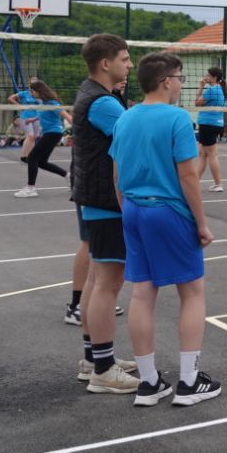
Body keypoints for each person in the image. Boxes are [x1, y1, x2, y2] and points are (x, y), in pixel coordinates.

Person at [112, 53, 221, 407]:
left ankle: (148, 383)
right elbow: (188, 175)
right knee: (192, 291)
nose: (182, 84)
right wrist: (201, 223)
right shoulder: (176, 118)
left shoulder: (125, 118)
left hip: (133, 209)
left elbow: (116, 173)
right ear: (166, 81)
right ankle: (189, 382)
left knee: (142, 293)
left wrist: (126, 209)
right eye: (181, 78)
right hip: (168, 211)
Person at [70, 34, 139, 393]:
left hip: (93, 197)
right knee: (108, 284)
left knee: (98, 279)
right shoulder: (103, 103)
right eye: (125, 59)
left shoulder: (94, 96)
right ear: (105, 64)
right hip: (104, 200)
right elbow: (136, 139)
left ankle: (94, 359)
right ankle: (103, 370)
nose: (130, 66)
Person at [14, 78, 68, 198]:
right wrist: (31, 119)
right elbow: (42, 115)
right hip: (50, 133)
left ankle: (31, 188)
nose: (31, 93)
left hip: (53, 133)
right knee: (42, 162)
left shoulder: (52, 103)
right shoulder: (42, 104)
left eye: (32, 91)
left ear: (38, 91)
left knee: (32, 157)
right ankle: (68, 176)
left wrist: (73, 122)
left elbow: (64, 114)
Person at [195, 67, 227, 192]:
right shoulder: (220, 89)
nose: (206, 77)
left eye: (208, 75)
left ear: (214, 77)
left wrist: (201, 86)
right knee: (203, 154)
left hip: (208, 124)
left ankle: (218, 184)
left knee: (212, 155)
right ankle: (195, 181)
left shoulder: (212, 90)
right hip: (215, 123)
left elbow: (197, 103)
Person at [14, 82, 42, 155]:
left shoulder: (39, 95)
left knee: (35, 137)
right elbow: (10, 98)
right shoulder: (24, 93)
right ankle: (23, 155)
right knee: (30, 136)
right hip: (25, 117)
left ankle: (30, 155)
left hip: (36, 117)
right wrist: (19, 106)